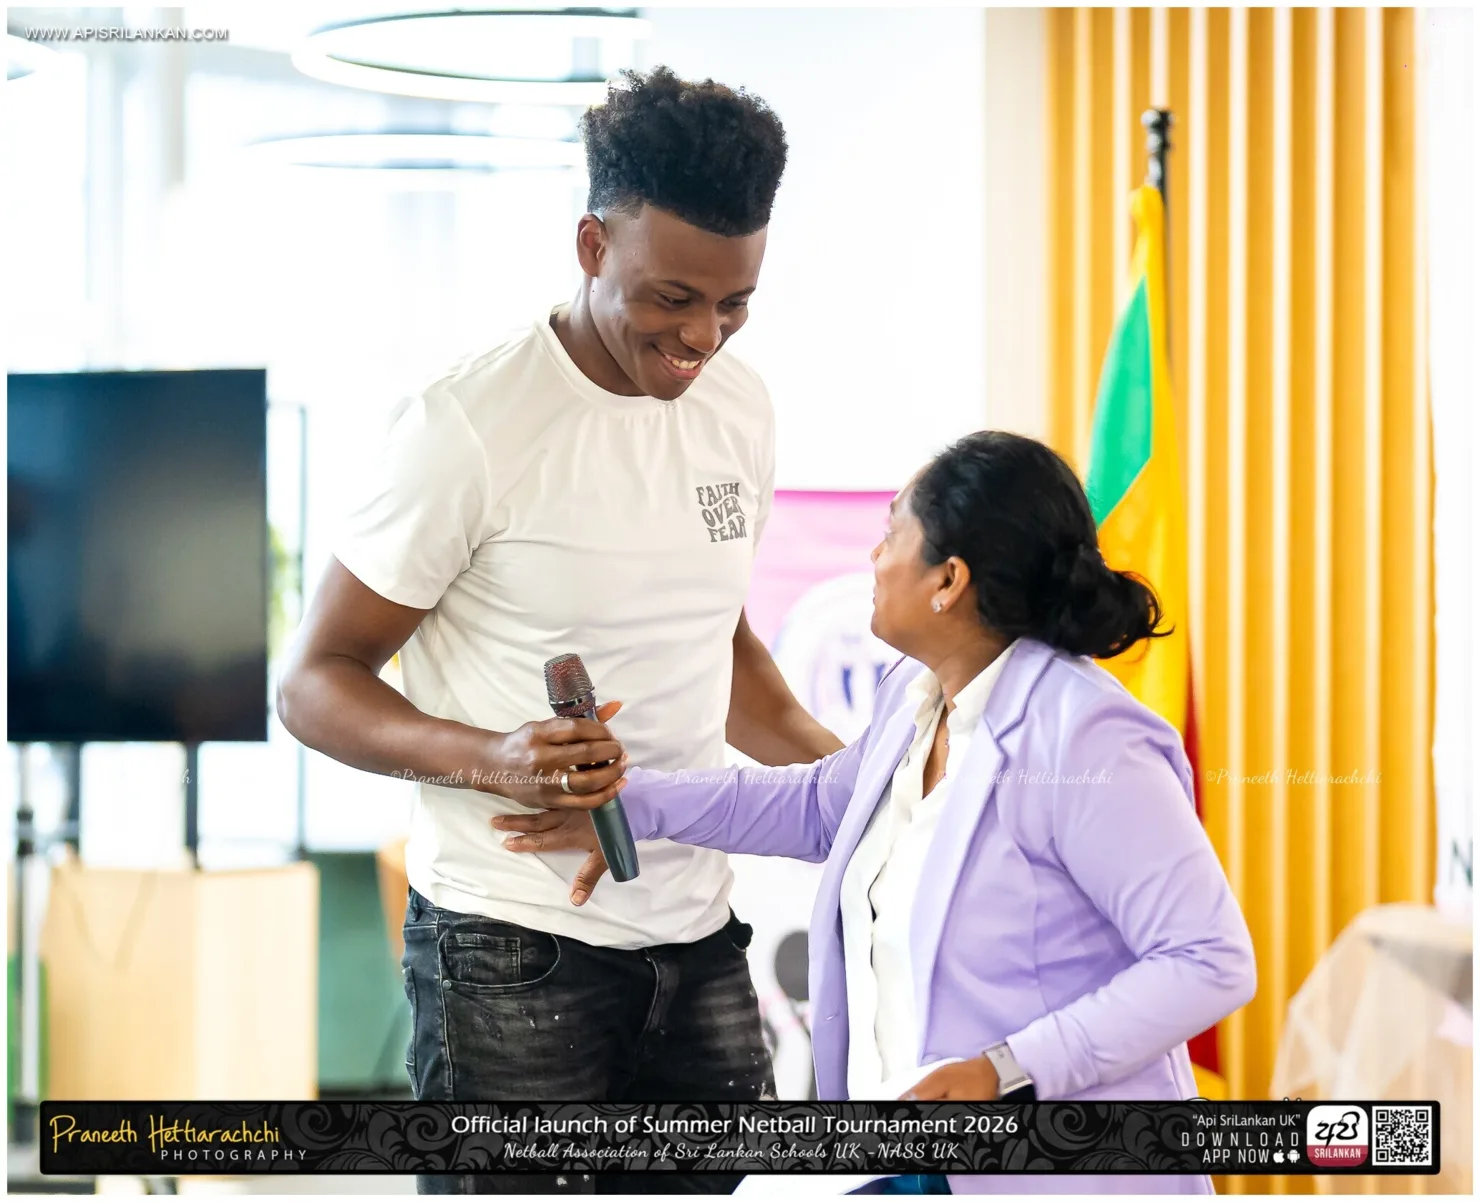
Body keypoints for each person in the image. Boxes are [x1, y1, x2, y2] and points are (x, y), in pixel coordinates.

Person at [276, 65, 844, 1196]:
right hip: (509, 950)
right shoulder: (467, 424)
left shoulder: (740, 408)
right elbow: (312, 680)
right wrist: (494, 757)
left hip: (698, 938)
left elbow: (720, 648)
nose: (702, 336)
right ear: (592, 245)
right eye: (672, 297)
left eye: (733, 303)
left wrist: (872, 788)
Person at [498, 431, 1259, 1195]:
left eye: (892, 533)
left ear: (948, 580)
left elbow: (1207, 961)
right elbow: (819, 806)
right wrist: (629, 802)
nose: (874, 556)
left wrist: (1007, 1069)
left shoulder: (1085, 736)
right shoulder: (916, 697)